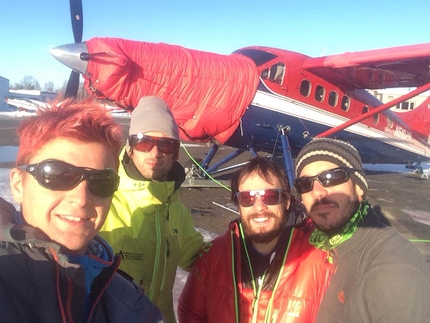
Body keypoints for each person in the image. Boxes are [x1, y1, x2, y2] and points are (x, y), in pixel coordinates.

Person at [0, 99, 164, 322]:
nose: (82, 199)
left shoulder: (130, 303)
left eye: (101, 181)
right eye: (58, 175)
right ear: (18, 184)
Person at [178, 157, 335, 323]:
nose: (259, 207)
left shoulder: (321, 257)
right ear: (237, 205)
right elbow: (191, 314)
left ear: (287, 201)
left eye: (270, 196)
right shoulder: (214, 256)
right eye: (247, 198)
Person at [293, 137, 430, 323]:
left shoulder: (391, 266)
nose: (317, 192)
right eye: (305, 184)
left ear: (359, 188)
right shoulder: (328, 248)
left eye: (331, 177)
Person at [99, 96, 203, 323]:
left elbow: (201, 259)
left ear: (176, 153)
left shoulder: (177, 213)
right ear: (129, 149)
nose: (155, 153)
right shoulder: (102, 204)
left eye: (166, 144)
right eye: (144, 142)